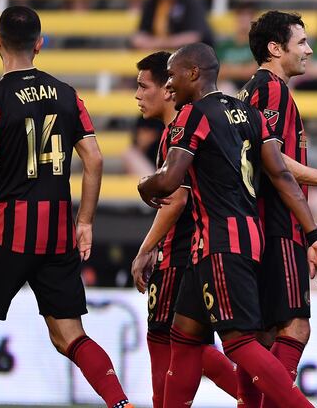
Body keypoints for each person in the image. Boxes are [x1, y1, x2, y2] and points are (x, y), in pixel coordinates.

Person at [137, 43, 317, 408]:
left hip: (220, 240)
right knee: (184, 335)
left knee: (240, 341)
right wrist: (310, 231)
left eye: (174, 74)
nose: (169, 85)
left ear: (193, 73)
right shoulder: (249, 115)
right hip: (238, 238)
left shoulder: (192, 115)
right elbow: (282, 176)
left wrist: (144, 184)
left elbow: (169, 180)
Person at [0, 6, 133, 408]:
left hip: (10, 230)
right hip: (57, 233)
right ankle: (121, 403)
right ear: (40, 45)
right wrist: (85, 221)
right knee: (69, 334)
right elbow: (95, 158)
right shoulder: (67, 94)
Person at [236, 10, 317, 408]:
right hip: (273, 221)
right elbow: (274, 161)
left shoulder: (253, 90)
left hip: (261, 223)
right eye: (301, 42)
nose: (309, 49)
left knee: (264, 336)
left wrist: (308, 232)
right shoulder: (270, 89)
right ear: (275, 48)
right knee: (294, 327)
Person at [129, 51, 238, 407]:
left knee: (167, 340)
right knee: (190, 344)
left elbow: (175, 200)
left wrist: (145, 248)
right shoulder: (186, 128)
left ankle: (263, 397)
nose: (137, 94)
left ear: (168, 88)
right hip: (200, 249)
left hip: (181, 252)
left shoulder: (180, 133)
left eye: (145, 86)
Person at [131, 0, 214, 50]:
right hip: (155, 54)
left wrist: (160, 43)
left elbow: (195, 36)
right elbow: (140, 36)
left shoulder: (189, 1)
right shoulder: (151, 3)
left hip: (186, 55)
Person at [216, 1, 259, 92]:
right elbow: (218, 71)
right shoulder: (225, 45)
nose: (244, 20)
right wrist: (243, 68)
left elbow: (254, 71)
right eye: (241, 15)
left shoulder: (259, 44)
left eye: (248, 16)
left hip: (252, 87)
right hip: (228, 86)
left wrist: (229, 68)